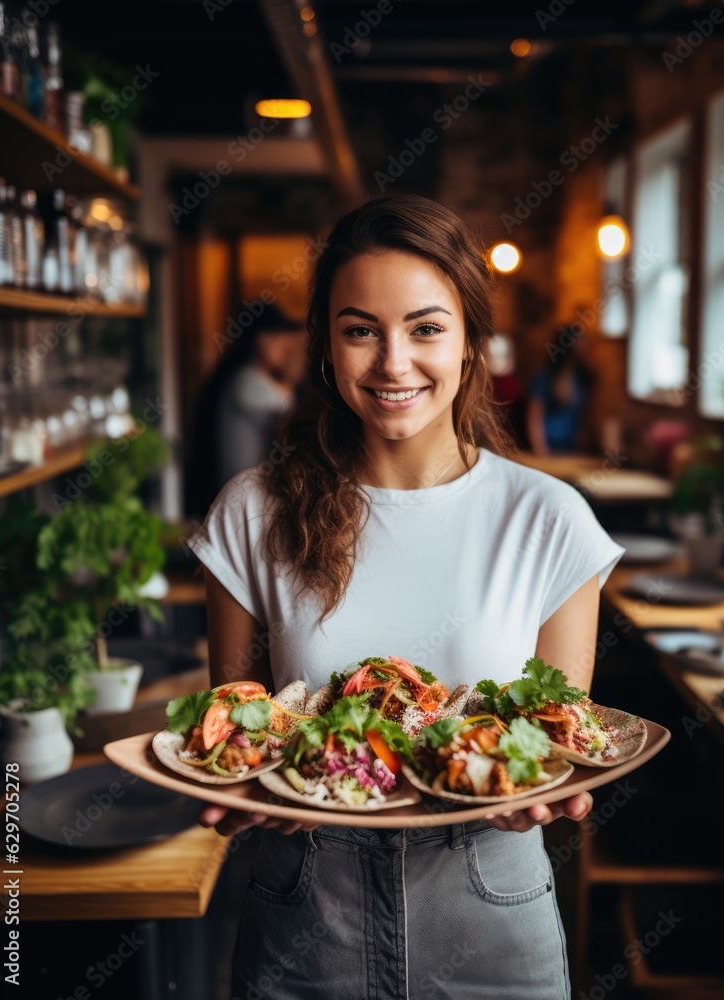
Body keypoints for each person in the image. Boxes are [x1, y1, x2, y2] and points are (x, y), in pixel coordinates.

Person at [187, 195, 625, 1000]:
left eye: (425, 328)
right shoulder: (250, 511)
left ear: (469, 345)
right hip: (304, 906)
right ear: (326, 346)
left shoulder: (549, 520)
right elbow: (238, 722)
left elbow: (562, 741)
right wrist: (245, 792)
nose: (393, 363)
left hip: (491, 902)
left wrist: (545, 793)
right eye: (361, 330)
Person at [184, 304, 308, 516]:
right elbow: (294, 421)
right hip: (242, 502)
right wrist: (292, 376)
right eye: (277, 336)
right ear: (260, 340)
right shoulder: (248, 380)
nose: (285, 344)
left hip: (242, 497)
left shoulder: (241, 378)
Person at [526, 335, 590, 456]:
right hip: (547, 448)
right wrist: (540, 449)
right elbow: (535, 416)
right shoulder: (544, 377)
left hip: (572, 449)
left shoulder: (581, 378)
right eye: (580, 345)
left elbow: (583, 415)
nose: (584, 349)